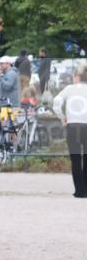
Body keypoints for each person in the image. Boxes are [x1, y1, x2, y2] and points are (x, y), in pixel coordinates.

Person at [52, 65, 87, 198]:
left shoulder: (69, 89)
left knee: (76, 159)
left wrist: (62, 117)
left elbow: (56, 102)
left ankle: (79, 190)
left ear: (77, 77)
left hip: (73, 126)